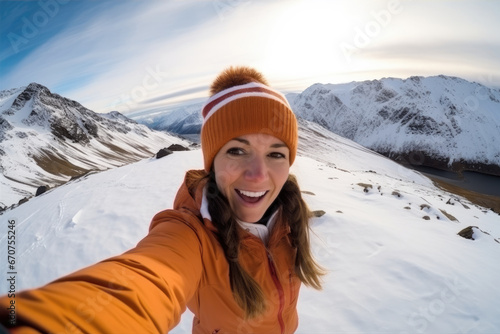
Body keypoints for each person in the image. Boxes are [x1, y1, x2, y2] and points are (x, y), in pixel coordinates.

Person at [0, 66, 325, 333]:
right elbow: (146, 277)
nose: (258, 175)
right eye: (237, 150)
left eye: (276, 154)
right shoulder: (191, 234)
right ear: (210, 163)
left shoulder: (289, 213)